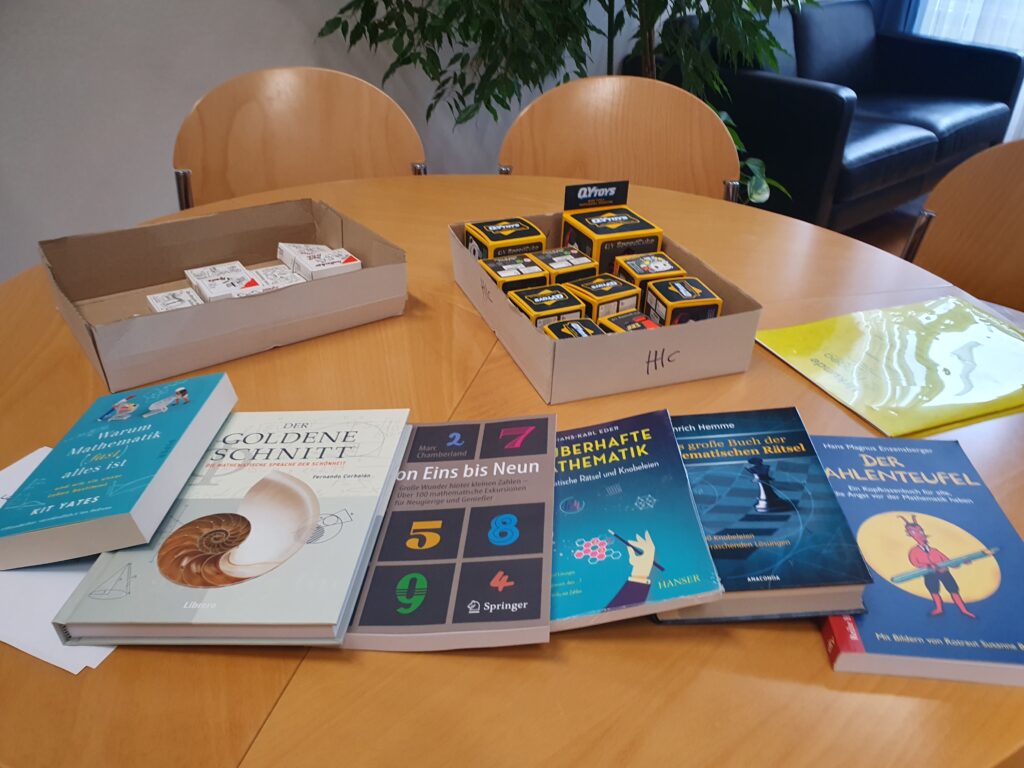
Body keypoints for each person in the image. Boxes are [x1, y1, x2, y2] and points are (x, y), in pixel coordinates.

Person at [900, 515, 976, 619]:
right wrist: (927, 565)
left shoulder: (935, 551)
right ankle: (939, 609)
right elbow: (915, 563)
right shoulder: (914, 552)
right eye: (914, 532)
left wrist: (962, 562)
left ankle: (964, 610)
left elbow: (950, 562)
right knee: (934, 591)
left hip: (944, 573)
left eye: (920, 531)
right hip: (930, 574)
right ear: (911, 535)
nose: (919, 534)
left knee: (953, 590)